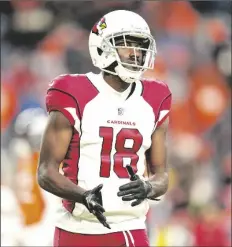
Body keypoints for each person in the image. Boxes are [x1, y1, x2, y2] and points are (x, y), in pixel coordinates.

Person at [37, 9, 172, 247]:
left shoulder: (155, 97)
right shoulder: (73, 91)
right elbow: (46, 172)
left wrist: (148, 187)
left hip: (128, 227)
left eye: (140, 46)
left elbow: (161, 176)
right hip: (75, 228)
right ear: (102, 47)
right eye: (127, 45)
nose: (136, 53)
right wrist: (83, 196)